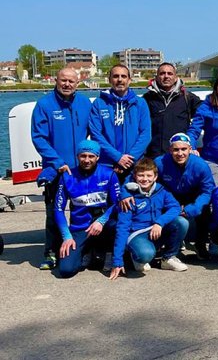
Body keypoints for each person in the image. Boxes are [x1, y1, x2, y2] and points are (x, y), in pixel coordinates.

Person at [31, 67, 91, 270]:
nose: (67, 84)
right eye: (63, 80)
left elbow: (95, 132)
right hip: (56, 169)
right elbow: (39, 137)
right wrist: (57, 162)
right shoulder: (45, 104)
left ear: (77, 83)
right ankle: (50, 252)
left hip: (80, 170)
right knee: (53, 212)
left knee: (80, 210)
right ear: (56, 81)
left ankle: (78, 249)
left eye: (71, 81)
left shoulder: (84, 103)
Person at [109, 158, 189, 279]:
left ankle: (167, 258)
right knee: (145, 254)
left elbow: (175, 207)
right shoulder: (128, 198)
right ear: (135, 176)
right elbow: (122, 228)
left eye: (149, 175)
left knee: (181, 222)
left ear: (155, 176)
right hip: (137, 233)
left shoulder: (161, 190)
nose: (145, 179)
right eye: (141, 175)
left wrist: (160, 222)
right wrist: (117, 262)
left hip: (155, 229)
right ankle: (135, 257)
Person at [54, 140, 120, 278]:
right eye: (83, 156)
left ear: (98, 157)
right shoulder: (67, 176)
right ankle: (88, 251)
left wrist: (102, 220)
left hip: (103, 225)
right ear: (77, 157)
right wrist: (66, 236)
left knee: (115, 225)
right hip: (80, 227)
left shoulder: (109, 174)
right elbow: (58, 209)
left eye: (91, 156)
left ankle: (108, 253)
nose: (87, 160)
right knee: (66, 270)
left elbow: (117, 203)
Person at [152, 133, 216, 259]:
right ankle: (161, 243)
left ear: (190, 149)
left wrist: (193, 208)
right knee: (156, 205)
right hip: (170, 194)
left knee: (204, 210)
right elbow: (138, 175)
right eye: (176, 149)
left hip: (193, 194)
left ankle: (200, 244)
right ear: (170, 150)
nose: (180, 153)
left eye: (183, 149)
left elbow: (208, 190)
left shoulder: (200, 165)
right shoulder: (160, 163)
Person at [88, 64, 152, 180]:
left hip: (134, 165)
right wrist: (117, 157)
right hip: (106, 164)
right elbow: (96, 134)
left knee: (131, 197)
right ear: (110, 80)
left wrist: (129, 160)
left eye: (123, 76)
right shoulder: (99, 103)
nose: (120, 79)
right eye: (116, 76)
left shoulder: (140, 103)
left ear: (129, 80)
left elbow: (145, 134)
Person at [143, 62, 201, 158]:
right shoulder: (147, 99)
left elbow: (206, 114)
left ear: (175, 77)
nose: (166, 76)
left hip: (179, 156)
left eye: (170, 73)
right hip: (154, 156)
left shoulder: (188, 98)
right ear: (157, 77)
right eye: (162, 73)